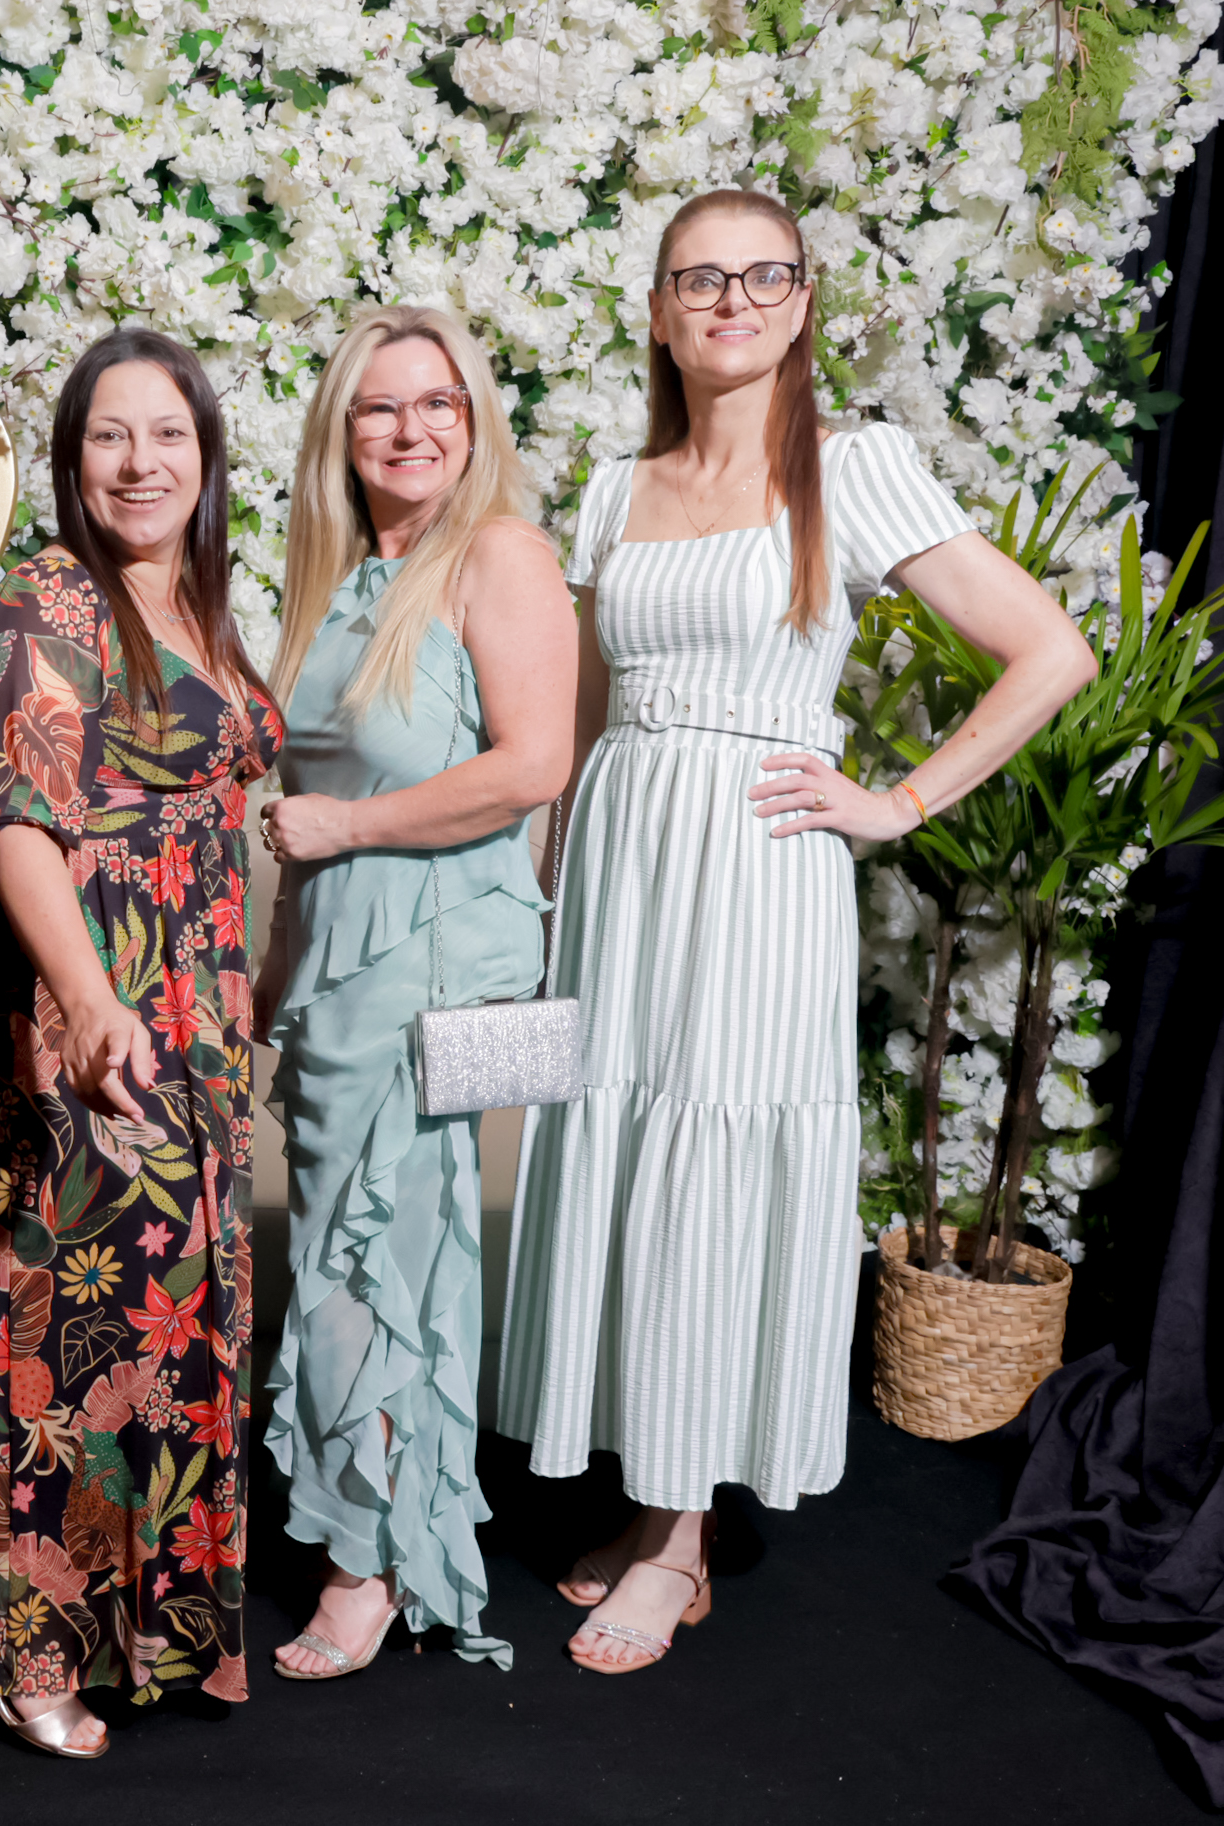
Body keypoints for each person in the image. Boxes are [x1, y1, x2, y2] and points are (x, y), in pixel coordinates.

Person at [495, 187, 1098, 1673]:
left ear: (804, 302)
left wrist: (897, 801)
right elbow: (586, 715)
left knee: (713, 1157)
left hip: (758, 872)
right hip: (624, 866)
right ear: (658, 311)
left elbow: (1049, 650)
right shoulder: (616, 488)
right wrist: (545, 885)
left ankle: (679, 1536)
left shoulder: (852, 466)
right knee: (627, 1150)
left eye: (765, 276)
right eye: (700, 279)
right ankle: (648, 1492)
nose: (733, 302)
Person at [0, 328, 284, 1753]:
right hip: (98, 1010)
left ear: (206, 456)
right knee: (71, 1337)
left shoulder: (196, 599)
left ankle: (157, 1627)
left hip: (202, 1014)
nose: (141, 464)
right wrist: (87, 1001)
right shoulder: (46, 603)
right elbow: (19, 829)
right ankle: (31, 1654)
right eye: (109, 436)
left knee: (179, 1320)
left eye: (168, 435)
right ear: (70, 458)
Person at [253, 304, 575, 1680]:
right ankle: (387, 1524)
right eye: (381, 406)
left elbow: (535, 764)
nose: (411, 428)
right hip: (339, 959)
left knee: (375, 1253)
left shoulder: (499, 553)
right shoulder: (335, 580)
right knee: (365, 1248)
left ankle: (368, 1560)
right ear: (342, 429)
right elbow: (308, 814)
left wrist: (345, 831)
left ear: (474, 418)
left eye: (438, 401)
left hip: (439, 959)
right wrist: (269, 980)